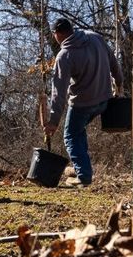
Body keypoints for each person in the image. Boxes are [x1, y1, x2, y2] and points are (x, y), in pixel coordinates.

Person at [44, 17, 123, 187]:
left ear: (57, 34)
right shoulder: (95, 37)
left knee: (71, 135)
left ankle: (84, 177)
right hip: (104, 100)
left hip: (83, 104)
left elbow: (59, 92)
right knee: (78, 131)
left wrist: (53, 121)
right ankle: (81, 168)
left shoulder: (64, 55)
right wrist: (119, 83)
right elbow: (113, 61)